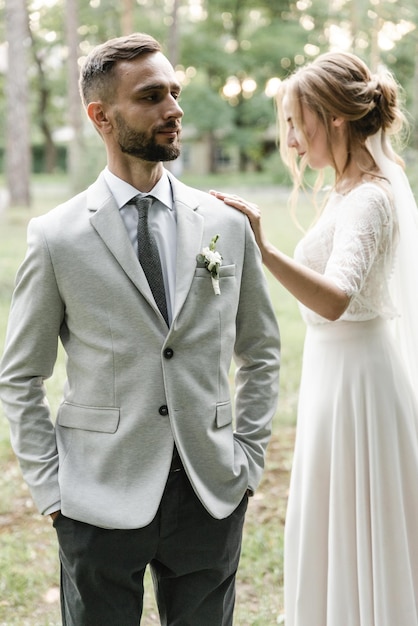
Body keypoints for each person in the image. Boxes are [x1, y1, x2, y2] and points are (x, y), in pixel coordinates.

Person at [0, 33, 280, 625]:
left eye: (174, 92)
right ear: (101, 116)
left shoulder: (226, 224)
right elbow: (20, 376)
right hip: (96, 495)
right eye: (152, 96)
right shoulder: (57, 236)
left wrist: (248, 459)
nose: (174, 109)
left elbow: (262, 350)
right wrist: (54, 494)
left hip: (211, 489)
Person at [211, 51, 418, 625]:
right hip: (334, 377)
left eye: (297, 123)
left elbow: (336, 296)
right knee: (336, 520)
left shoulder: (371, 197)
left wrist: (264, 245)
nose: (294, 142)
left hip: (361, 386)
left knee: (361, 522)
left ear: (334, 118)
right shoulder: (346, 189)